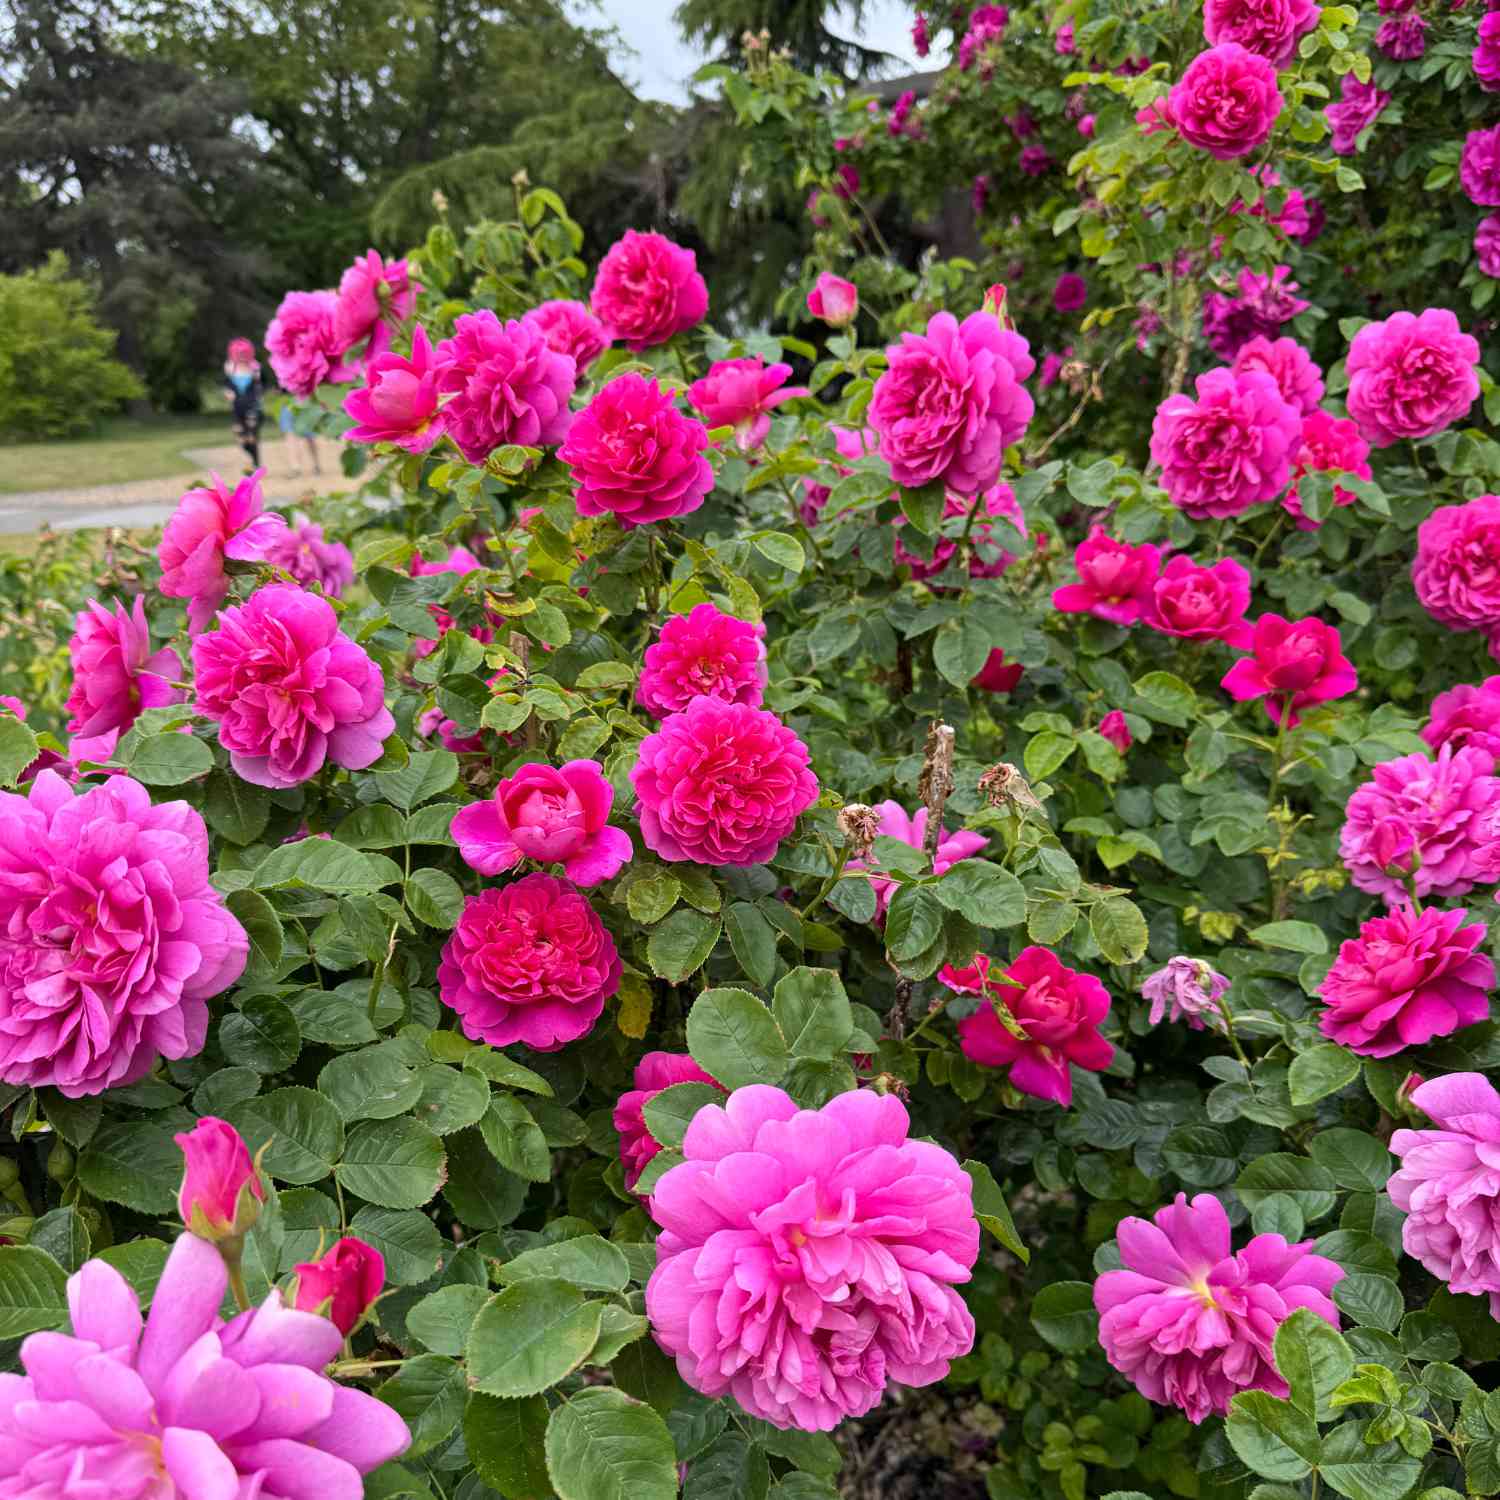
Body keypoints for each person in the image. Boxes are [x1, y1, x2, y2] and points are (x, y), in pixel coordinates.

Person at [222, 337, 264, 470]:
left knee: (252, 437)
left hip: (253, 407)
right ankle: (254, 461)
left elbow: (263, 386)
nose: (241, 356)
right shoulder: (230, 369)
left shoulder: (255, 368)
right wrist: (227, 392)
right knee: (241, 439)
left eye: (243, 353)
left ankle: (256, 465)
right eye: (238, 354)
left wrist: (257, 380)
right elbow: (225, 385)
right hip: (237, 409)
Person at [278, 398, 321, 478]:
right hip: (288, 405)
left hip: (307, 405)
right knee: (290, 436)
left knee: (310, 438)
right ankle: (295, 467)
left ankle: (316, 464)